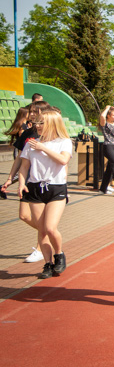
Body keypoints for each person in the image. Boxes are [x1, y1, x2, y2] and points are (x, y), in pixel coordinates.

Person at [18, 110, 73, 279]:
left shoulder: (64, 142)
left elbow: (63, 160)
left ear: (52, 124)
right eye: (37, 123)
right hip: (35, 188)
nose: (37, 126)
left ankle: (59, 254)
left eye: (42, 123)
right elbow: (24, 167)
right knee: (41, 230)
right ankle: (48, 264)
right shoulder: (31, 144)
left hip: (56, 188)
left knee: (50, 227)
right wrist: (21, 184)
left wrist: (43, 148)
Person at [1, 102, 50, 261]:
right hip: (26, 179)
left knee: (39, 218)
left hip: (42, 180)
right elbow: (19, 159)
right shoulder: (27, 133)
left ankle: (41, 248)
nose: (33, 114)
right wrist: (10, 178)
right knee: (23, 215)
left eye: (36, 111)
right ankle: (50, 234)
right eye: (31, 111)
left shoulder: (50, 132)